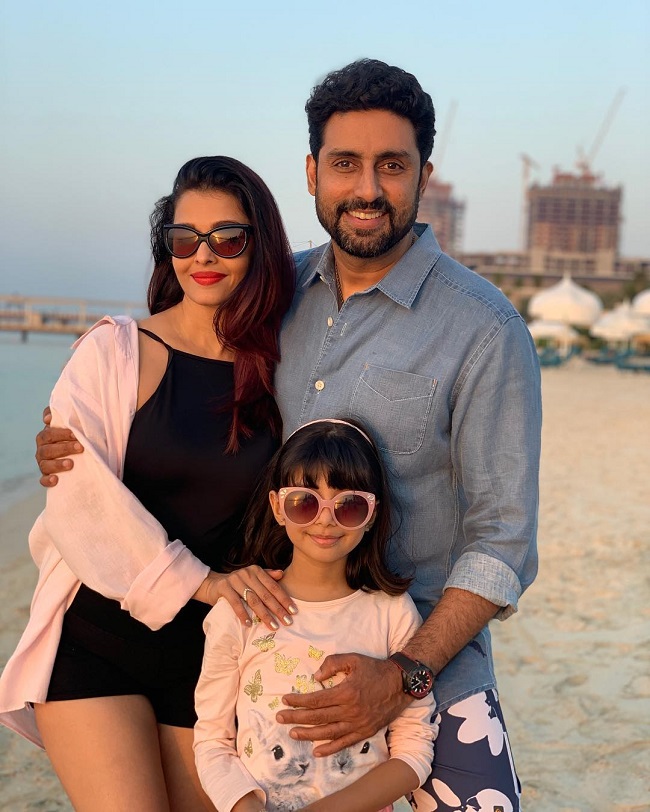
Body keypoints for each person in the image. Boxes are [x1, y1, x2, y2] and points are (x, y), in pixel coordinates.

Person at [34, 59, 541, 810]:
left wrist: (405, 671)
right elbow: (179, 357)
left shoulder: (485, 328)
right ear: (311, 173)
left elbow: (504, 544)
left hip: (425, 655)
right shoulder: (276, 295)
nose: (367, 189)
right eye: (345, 163)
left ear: (424, 176)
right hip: (271, 645)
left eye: (392, 165)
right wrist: (82, 410)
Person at [0, 156, 298, 812]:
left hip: (212, 661)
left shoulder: (283, 372)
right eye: (184, 238)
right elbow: (80, 503)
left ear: (260, 246)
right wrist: (205, 583)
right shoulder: (114, 353)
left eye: (228, 237)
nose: (204, 255)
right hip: (96, 643)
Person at [194, 418, 437, 812]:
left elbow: (414, 748)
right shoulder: (239, 612)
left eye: (349, 505)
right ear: (278, 507)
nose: (325, 519)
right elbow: (212, 741)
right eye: (304, 502)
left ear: (371, 514)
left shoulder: (393, 612)